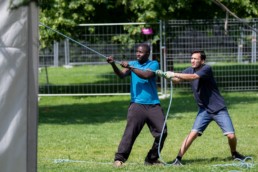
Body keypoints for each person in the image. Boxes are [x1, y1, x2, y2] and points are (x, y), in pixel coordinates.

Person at [157, 50, 246, 166]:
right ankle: (178, 159)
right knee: (192, 134)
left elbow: (193, 77)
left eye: (195, 59)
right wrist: (164, 76)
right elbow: (177, 81)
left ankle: (234, 153)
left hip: (218, 109)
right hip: (204, 110)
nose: (192, 61)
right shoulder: (189, 69)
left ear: (202, 61)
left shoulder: (206, 69)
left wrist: (174, 74)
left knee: (231, 135)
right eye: (192, 58)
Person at [107, 43, 167, 167]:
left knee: (163, 132)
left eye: (141, 52)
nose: (138, 54)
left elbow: (146, 75)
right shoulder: (133, 64)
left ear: (147, 54)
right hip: (137, 105)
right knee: (130, 133)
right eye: (137, 51)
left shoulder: (154, 64)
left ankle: (151, 159)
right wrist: (113, 64)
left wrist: (130, 66)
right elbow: (121, 75)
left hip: (153, 105)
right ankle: (119, 159)